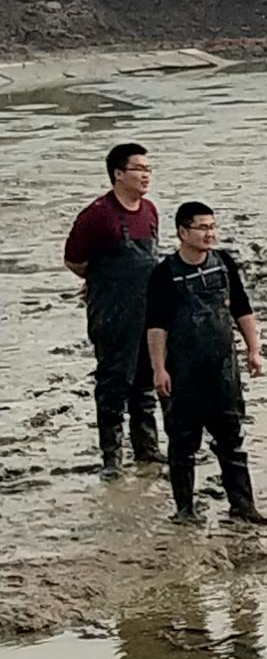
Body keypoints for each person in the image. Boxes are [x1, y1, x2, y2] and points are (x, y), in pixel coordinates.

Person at [143, 201, 267, 527]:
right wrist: (159, 369)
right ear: (182, 232)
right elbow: (156, 325)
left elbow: (241, 308)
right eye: (202, 227)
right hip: (182, 372)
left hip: (223, 369)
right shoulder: (164, 273)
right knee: (183, 443)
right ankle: (185, 510)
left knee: (231, 439)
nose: (209, 234)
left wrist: (254, 350)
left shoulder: (223, 262)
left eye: (212, 227)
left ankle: (243, 507)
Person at [63, 142, 165, 474]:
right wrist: (104, 283)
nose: (146, 176)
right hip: (111, 313)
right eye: (139, 169)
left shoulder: (149, 211)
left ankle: (147, 449)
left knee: (145, 383)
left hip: (148, 311)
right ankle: (111, 456)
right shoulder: (98, 215)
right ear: (118, 174)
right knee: (112, 384)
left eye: (149, 170)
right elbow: (74, 261)